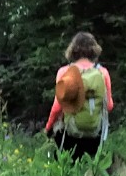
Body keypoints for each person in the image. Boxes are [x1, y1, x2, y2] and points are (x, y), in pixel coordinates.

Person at [44, 32, 114, 160]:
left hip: (70, 136)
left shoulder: (64, 72)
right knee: (89, 167)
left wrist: (48, 128)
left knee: (66, 161)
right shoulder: (103, 72)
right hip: (95, 135)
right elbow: (109, 106)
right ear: (94, 49)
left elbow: (57, 108)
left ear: (72, 50)